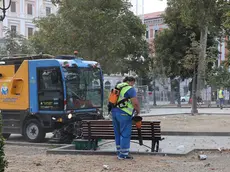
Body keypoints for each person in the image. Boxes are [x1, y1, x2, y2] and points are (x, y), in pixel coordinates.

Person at [111, 76, 140, 160]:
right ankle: (123, 154)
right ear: (130, 82)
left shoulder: (117, 88)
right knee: (125, 134)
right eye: (133, 83)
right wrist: (138, 111)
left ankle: (119, 152)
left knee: (118, 134)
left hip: (114, 113)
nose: (133, 85)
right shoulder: (130, 89)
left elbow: (111, 102)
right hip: (124, 114)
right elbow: (135, 103)